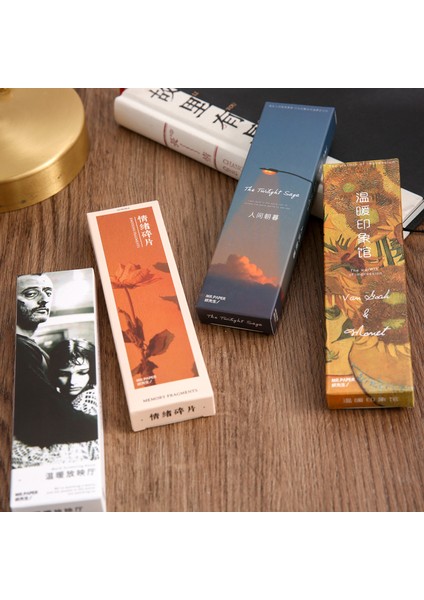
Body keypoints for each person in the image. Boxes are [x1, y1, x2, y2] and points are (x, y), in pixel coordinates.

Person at [13, 273, 98, 448]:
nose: (44, 300)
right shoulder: (19, 348)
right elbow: (51, 418)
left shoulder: (28, 345)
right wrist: (107, 423)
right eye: (31, 294)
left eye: (48, 292)